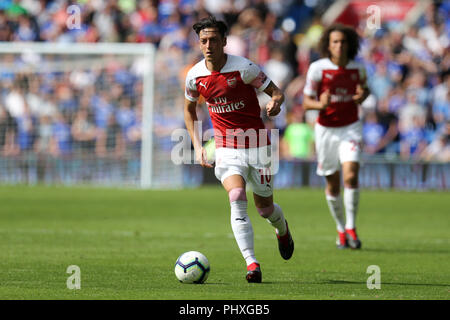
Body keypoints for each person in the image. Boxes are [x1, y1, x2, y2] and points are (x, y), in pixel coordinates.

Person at [183, 16, 294, 283]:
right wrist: (198, 145)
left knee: (265, 209)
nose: (208, 45)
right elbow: (189, 110)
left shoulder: (245, 69)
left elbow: (277, 93)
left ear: (224, 41)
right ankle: (252, 263)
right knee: (236, 196)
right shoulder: (195, 75)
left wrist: (275, 104)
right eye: (203, 41)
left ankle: (282, 229)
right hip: (226, 147)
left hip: (258, 146)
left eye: (213, 40)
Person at [303, 24, 370, 250]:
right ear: (328, 45)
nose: (339, 46)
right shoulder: (317, 69)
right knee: (332, 184)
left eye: (343, 42)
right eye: (335, 42)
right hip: (326, 130)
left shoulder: (358, 69)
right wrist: (319, 104)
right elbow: (306, 102)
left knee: (350, 176)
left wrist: (363, 96)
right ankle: (341, 229)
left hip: (350, 127)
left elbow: (364, 91)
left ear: (350, 44)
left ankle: (351, 227)